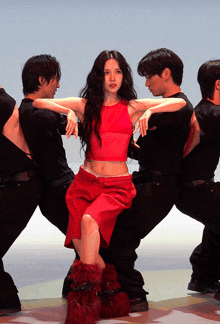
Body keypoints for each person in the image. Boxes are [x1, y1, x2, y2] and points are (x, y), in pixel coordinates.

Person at [33, 50, 186, 324]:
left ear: (123, 76)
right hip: (83, 183)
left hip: (116, 186)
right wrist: (67, 111)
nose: (112, 78)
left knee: (90, 222)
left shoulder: (132, 107)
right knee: (87, 250)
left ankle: (83, 305)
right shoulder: (85, 105)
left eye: (117, 72)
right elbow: (39, 105)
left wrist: (150, 109)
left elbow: (180, 105)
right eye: (106, 72)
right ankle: (113, 296)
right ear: (98, 76)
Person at [99, 48, 193, 312]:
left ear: (166, 73)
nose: (146, 83)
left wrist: (146, 115)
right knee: (109, 230)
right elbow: (138, 148)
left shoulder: (179, 105)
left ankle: (134, 295)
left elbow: (180, 107)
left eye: (150, 77)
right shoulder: (159, 108)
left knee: (121, 237)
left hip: (160, 186)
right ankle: (113, 290)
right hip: (144, 180)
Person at [19, 54, 75, 292]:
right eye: (55, 80)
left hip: (60, 187)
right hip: (58, 190)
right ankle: (81, 293)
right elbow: (72, 126)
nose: (58, 86)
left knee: (88, 244)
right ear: (42, 80)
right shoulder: (34, 112)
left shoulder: (31, 110)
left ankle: (74, 290)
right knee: (91, 244)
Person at [175, 59, 220, 300]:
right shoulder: (213, 113)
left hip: (192, 191)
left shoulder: (202, 112)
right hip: (196, 190)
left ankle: (203, 278)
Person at [0, 87, 42, 316]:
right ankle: (6, 302)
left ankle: (6, 303)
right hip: (14, 185)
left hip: (20, 187)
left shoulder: (2, 103)